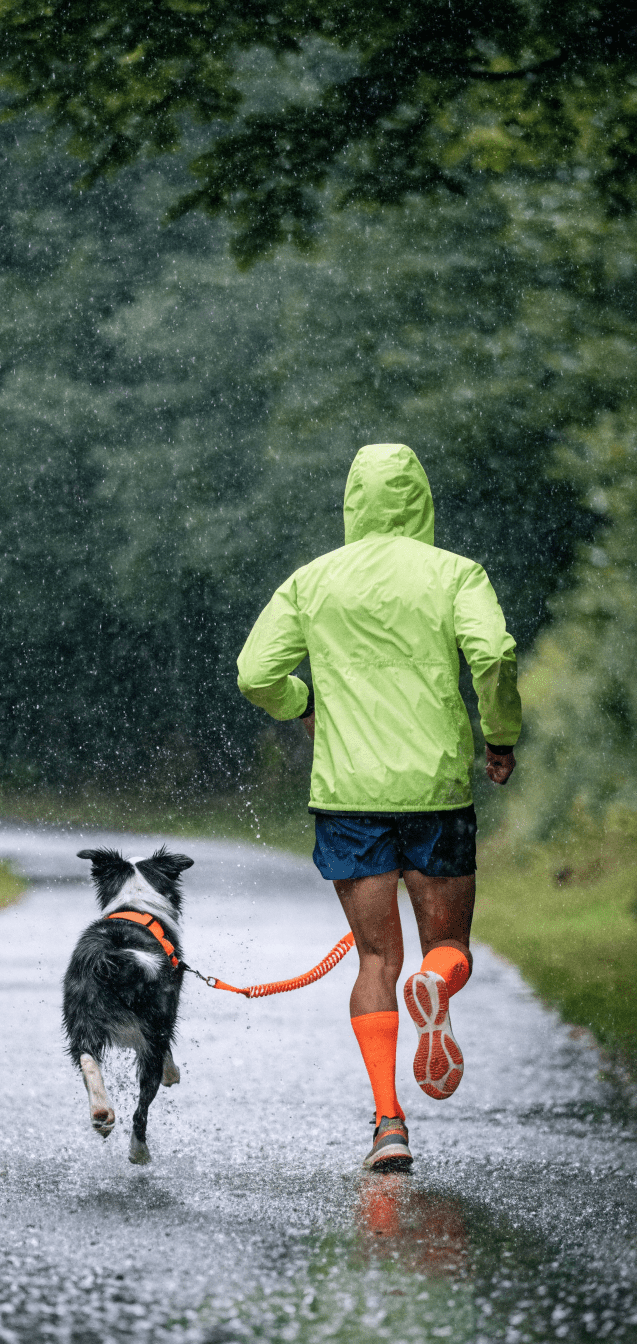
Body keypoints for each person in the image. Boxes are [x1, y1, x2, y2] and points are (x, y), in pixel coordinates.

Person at [237, 443, 521, 1170]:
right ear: (421, 498)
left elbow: (255, 672)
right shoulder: (456, 574)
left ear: (352, 501)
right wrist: (500, 735)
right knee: (446, 950)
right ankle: (437, 987)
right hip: (435, 791)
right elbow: (491, 656)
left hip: (348, 798)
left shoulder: (312, 582)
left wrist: (303, 704)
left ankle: (388, 1124)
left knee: (373, 958)